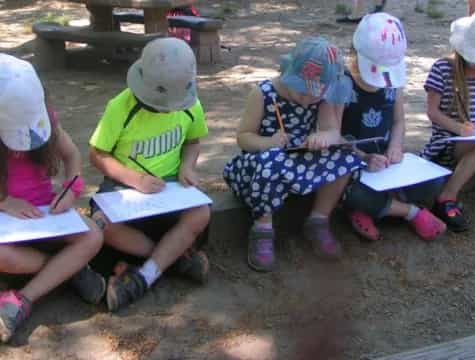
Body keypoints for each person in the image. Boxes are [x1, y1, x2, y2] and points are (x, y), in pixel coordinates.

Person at [89, 38, 211, 312]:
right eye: (160, 104)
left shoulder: (190, 104)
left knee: (201, 213)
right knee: (100, 224)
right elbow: (97, 154)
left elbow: (193, 142)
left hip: (170, 189)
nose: (168, 110)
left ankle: (146, 275)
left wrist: (187, 166)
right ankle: (174, 257)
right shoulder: (120, 107)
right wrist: (134, 179)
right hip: (124, 187)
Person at [223, 37, 364, 272]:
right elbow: (244, 137)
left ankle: (319, 219)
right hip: (259, 165)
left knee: (346, 157)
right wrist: (268, 142)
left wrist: (323, 138)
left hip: (298, 161)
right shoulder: (263, 93)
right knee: (271, 161)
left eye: (315, 94)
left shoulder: (322, 98)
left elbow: (332, 131)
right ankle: (263, 227)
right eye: (302, 90)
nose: (308, 98)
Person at [0, 54, 104, 342]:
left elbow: (72, 156)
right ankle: (68, 270)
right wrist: (4, 202)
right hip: (7, 227)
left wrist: (71, 189)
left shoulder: (43, 116)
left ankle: (21, 300)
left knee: (93, 235)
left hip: (48, 216)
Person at [339, 12, 447, 242]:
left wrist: (396, 146)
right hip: (354, 163)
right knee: (351, 193)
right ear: (355, 56)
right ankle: (409, 212)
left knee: (436, 182)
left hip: (388, 163)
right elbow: (334, 136)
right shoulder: (342, 84)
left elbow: (398, 121)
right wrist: (364, 157)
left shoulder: (393, 84)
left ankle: (380, 206)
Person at [420, 11, 475, 232]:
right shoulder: (443, 68)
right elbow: (432, 112)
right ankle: (447, 197)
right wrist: (459, 128)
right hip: (448, 140)